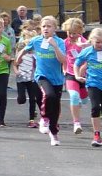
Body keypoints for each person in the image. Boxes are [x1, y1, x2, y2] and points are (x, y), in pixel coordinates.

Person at [18, 15, 66, 145]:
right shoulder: (36, 40)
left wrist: (55, 47)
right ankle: (44, 118)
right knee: (48, 95)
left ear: (55, 28)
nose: (46, 29)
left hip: (57, 79)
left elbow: (63, 60)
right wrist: (18, 59)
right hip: (41, 76)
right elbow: (25, 49)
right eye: (44, 26)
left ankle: (54, 134)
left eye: (49, 26)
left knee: (55, 108)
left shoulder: (60, 42)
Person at [62, 18, 90, 135]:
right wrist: (64, 68)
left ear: (80, 31)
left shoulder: (85, 43)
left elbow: (89, 58)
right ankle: (76, 123)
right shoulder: (65, 42)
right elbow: (63, 56)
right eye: (69, 32)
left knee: (84, 100)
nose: (72, 35)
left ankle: (81, 100)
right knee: (74, 96)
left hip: (83, 75)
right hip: (71, 74)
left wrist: (84, 68)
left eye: (74, 33)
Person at [13, 29, 42, 128]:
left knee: (32, 99)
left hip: (32, 78)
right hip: (21, 78)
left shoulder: (35, 52)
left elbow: (39, 63)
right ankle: (20, 98)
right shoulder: (21, 49)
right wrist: (16, 71)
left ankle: (31, 120)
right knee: (22, 99)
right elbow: (15, 63)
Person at [0, 19, 11, 126]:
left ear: (2, 28)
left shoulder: (6, 41)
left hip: (3, 70)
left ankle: (1, 119)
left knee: (2, 94)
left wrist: (7, 58)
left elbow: (10, 56)